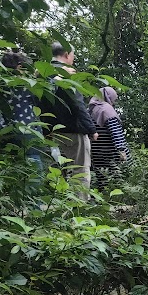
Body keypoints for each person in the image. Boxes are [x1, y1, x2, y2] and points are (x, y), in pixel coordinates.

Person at [39, 42, 96, 199]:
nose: (73, 59)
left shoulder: (41, 74)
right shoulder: (67, 74)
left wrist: (45, 130)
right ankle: (79, 209)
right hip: (73, 131)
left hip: (51, 133)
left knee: (57, 172)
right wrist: (91, 128)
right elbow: (77, 103)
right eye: (72, 56)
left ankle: (58, 210)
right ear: (66, 54)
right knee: (80, 170)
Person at [0, 50, 46, 176]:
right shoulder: (25, 86)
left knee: (13, 174)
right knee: (34, 175)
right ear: (19, 68)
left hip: (6, 134)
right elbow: (48, 94)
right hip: (28, 133)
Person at [89, 86, 131, 189]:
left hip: (95, 153)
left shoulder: (89, 110)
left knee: (102, 179)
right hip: (110, 153)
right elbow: (116, 132)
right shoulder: (107, 110)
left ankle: (103, 199)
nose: (114, 102)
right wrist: (122, 150)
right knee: (117, 178)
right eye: (113, 99)